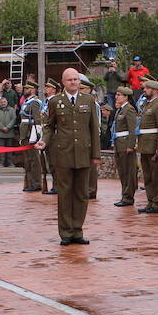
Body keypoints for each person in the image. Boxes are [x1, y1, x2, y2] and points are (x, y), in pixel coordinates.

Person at [36, 66, 100, 245]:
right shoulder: (55, 101)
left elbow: (94, 129)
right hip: (63, 153)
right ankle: (65, 232)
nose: (74, 82)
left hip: (83, 153)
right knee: (64, 194)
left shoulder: (88, 100)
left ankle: (77, 230)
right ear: (63, 82)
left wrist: (95, 154)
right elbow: (49, 126)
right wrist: (44, 141)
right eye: (70, 80)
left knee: (81, 194)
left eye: (76, 79)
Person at [135, 80, 158, 214]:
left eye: (147, 88)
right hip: (144, 145)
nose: (144, 90)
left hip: (153, 146)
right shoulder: (146, 104)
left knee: (157, 176)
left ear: (155, 90)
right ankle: (150, 201)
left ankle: (157, 203)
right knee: (148, 176)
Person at [110, 86, 140, 207]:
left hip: (126, 143)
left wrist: (130, 145)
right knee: (122, 171)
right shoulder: (120, 110)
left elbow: (132, 129)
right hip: (119, 143)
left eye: (119, 95)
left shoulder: (129, 110)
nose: (116, 97)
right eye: (116, 95)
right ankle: (125, 194)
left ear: (126, 97)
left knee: (129, 172)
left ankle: (128, 197)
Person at [18, 84, 45, 191]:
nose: (25, 90)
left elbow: (37, 121)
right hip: (25, 134)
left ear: (33, 90)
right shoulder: (27, 101)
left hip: (31, 134)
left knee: (34, 160)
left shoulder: (34, 102)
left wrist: (37, 136)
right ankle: (29, 183)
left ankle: (36, 183)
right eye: (25, 88)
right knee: (28, 160)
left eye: (27, 88)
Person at [0, 96, 18, 165]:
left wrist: (8, 127)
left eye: (4, 102)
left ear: (7, 102)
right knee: (1, 149)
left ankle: (10, 162)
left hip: (9, 132)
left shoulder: (12, 110)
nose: (3, 103)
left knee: (9, 148)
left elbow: (14, 119)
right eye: (1, 102)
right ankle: (2, 162)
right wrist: (2, 128)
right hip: (0, 132)